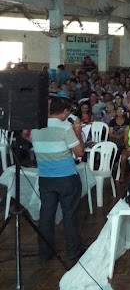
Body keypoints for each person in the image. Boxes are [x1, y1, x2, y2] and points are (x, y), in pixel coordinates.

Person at [30, 97, 86, 262]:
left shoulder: (36, 128)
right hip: (66, 177)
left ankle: (45, 252)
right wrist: (77, 130)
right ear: (64, 112)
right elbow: (80, 152)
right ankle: (73, 250)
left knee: (46, 215)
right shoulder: (65, 128)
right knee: (69, 214)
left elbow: (31, 140)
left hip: (46, 178)